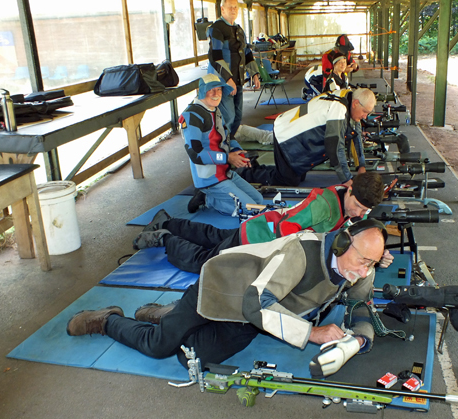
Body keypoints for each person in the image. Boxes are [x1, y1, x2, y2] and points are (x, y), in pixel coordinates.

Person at [67, 220, 388, 375]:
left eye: (372, 264)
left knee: (189, 359)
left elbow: (361, 306)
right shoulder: (300, 254)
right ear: (342, 244)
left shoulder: (361, 268)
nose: (364, 272)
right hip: (222, 291)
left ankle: (169, 315)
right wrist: (312, 333)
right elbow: (256, 303)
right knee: (158, 347)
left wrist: (359, 340)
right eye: (362, 261)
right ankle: (107, 320)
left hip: (251, 322)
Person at [132, 172, 393, 273]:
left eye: (366, 210)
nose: (360, 213)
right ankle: (163, 237)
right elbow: (287, 228)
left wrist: (376, 253)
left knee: (214, 236)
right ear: (349, 189)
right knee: (205, 263)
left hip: (259, 229)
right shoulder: (324, 204)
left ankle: (168, 221)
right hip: (259, 238)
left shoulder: (351, 206)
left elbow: (357, 234)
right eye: (358, 206)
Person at [236, 87, 376, 187]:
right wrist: (346, 180)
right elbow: (335, 147)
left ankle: (253, 165)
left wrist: (361, 166)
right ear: (356, 103)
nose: (365, 116)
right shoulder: (338, 110)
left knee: (296, 174)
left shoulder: (349, 97)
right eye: (365, 112)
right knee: (286, 180)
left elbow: (356, 135)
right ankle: (242, 173)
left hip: (295, 131)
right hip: (287, 134)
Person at [178, 74, 264, 215]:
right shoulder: (191, 115)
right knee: (253, 210)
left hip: (225, 171)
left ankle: (211, 198)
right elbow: (196, 154)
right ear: (201, 91)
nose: (216, 94)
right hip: (209, 178)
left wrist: (239, 153)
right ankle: (206, 199)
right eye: (211, 90)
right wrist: (228, 158)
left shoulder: (214, 109)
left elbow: (227, 136)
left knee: (259, 201)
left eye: (218, 89)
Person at [208, 0, 260, 137]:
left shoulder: (238, 29)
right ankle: (224, 150)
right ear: (222, 9)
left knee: (237, 116)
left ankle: (231, 145)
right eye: (230, 7)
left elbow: (246, 52)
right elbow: (215, 57)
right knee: (227, 117)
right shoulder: (217, 28)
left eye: (235, 7)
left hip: (238, 80)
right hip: (221, 83)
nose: (233, 10)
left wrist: (254, 74)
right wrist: (228, 79)